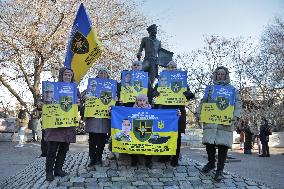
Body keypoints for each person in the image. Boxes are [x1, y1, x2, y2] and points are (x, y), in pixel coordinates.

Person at [195, 66, 242, 182]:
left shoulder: (233, 90)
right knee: (209, 144)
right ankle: (211, 163)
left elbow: (238, 103)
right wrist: (198, 112)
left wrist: (236, 115)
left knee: (223, 146)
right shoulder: (210, 89)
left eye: (222, 74)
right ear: (215, 75)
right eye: (218, 74)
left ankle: (220, 170)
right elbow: (203, 101)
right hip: (211, 120)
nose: (220, 76)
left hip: (225, 122)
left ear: (226, 76)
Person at [153, 61, 195, 167]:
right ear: (166, 69)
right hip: (164, 111)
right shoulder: (160, 82)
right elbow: (152, 94)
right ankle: (165, 155)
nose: (171, 68)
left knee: (177, 136)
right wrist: (155, 93)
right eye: (169, 67)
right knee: (164, 134)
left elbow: (190, 96)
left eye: (173, 67)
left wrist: (189, 94)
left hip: (178, 111)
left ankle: (175, 157)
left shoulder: (182, 82)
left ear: (176, 69)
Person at [45, 67, 79, 181]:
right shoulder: (52, 87)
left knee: (64, 150)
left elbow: (77, 103)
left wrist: (79, 101)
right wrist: (41, 102)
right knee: (52, 151)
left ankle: (58, 170)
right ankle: (49, 172)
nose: (68, 77)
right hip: (55, 125)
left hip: (68, 125)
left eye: (70, 75)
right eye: (66, 74)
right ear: (61, 75)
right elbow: (44, 100)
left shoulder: (75, 89)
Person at [84, 68, 112, 168]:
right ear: (98, 74)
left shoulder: (111, 86)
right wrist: (85, 96)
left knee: (102, 139)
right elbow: (83, 95)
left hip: (104, 117)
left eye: (105, 73)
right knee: (92, 139)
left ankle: (99, 158)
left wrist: (117, 99)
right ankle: (92, 158)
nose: (103, 74)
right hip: (93, 117)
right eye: (101, 73)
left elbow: (116, 100)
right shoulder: (92, 84)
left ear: (107, 75)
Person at [130, 94, 153, 168]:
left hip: (147, 131)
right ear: (137, 101)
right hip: (136, 130)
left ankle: (148, 160)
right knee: (132, 143)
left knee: (149, 144)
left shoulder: (151, 109)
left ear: (146, 101)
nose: (142, 102)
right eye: (140, 100)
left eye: (143, 100)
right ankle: (134, 159)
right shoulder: (132, 109)